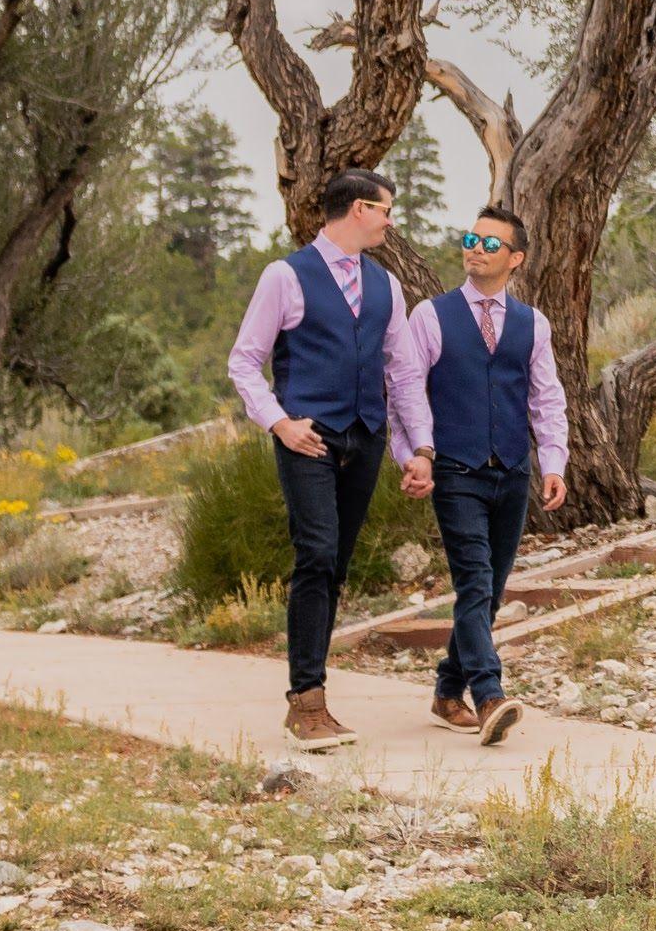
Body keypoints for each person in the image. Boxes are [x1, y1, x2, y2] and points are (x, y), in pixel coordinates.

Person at [225, 168, 403, 750]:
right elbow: (244, 362)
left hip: (366, 436)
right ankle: (306, 701)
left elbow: (400, 370)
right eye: (384, 210)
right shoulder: (285, 275)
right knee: (316, 555)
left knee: (338, 565)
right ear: (357, 209)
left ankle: (314, 699)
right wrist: (278, 422)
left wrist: (415, 446)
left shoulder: (387, 285)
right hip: (308, 437)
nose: (389, 220)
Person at [389, 200, 568, 738]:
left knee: (490, 591)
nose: (476, 250)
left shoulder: (533, 324)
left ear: (515, 258)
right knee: (474, 580)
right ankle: (489, 695)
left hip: (512, 471)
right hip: (456, 470)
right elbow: (404, 393)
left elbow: (546, 399)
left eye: (490, 244)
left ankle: (447, 692)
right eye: (471, 240)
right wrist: (414, 455)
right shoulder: (431, 315)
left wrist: (553, 462)